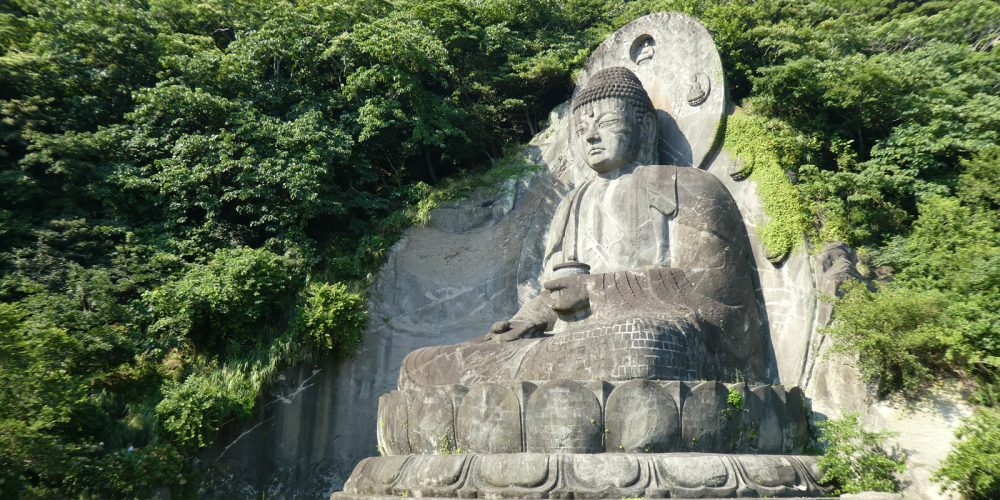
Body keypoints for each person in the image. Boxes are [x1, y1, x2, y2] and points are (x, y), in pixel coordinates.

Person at [398, 67, 767, 389]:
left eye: (604, 122)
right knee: (421, 366)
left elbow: (717, 292)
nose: (591, 135)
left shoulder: (686, 185)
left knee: (639, 343)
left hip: (650, 338)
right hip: (571, 343)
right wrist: (530, 317)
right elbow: (557, 291)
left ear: (645, 125)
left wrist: (596, 290)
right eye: (581, 128)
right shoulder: (574, 201)